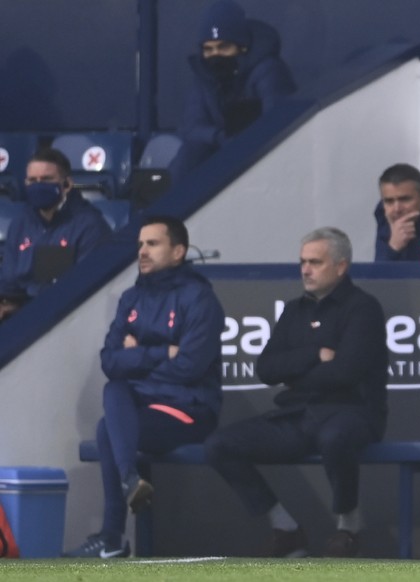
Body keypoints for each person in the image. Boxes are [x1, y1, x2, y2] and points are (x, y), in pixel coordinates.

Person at [205, 227, 388, 558]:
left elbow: (347, 372)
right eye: (303, 261)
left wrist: (296, 379)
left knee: (335, 437)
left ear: (341, 266)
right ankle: (285, 528)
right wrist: (315, 355)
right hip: (297, 416)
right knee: (220, 445)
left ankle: (348, 525)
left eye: (315, 262)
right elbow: (266, 369)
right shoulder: (294, 311)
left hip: (351, 412)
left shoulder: (363, 308)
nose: (305, 269)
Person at [64, 215, 225, 558]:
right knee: (113, 393)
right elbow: (110, 362)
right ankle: (129, 483)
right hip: (145, 405)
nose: (143, 251)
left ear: (178, 250)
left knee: (110, 428)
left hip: (188, 409)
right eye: (140, 244)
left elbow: (189, 368)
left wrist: (137, 354)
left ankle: (112, 536)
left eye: (153, 244)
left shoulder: (200, 299)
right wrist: (160, 352)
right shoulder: (131, 298)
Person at [168, 0, 296, 181]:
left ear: (242, 47)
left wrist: (240, 140)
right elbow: (191, 127)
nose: (215, 55)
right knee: (191, 152)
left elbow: (278, 125)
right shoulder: (204, 74)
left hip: (262, 161)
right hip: (220, 158)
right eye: (208, 49)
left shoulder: (268, 71)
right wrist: (219, 136)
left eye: (223, 47)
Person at [0, 148, 110, 297]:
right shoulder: (20, 224)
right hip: (16, 312)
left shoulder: (90, 226)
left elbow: (84, 286)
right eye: (32, 180)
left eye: (46, 179)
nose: (38, 185)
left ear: (67, 184)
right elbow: (7, 281)